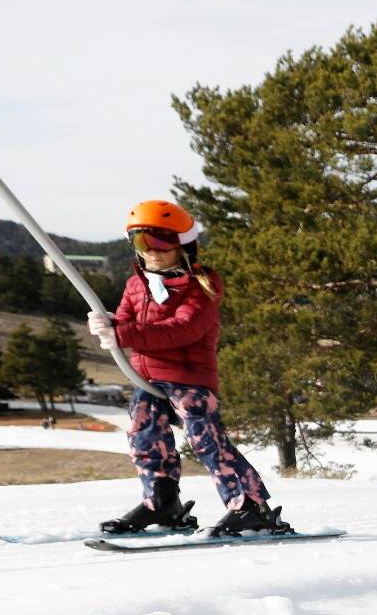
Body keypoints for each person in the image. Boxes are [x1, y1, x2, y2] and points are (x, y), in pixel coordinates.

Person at [88, 199, 286, 536]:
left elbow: (183, 330)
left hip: (188, 379)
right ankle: (162, 503)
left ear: (184, 245)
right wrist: (107, 324)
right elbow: (124, 320)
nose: (152, 250)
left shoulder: (201, 286)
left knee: (205, 440)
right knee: (143, 436)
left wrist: (123, 333)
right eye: (142, 242)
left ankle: (251, 505)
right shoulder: (136, 285)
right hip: (147, 377)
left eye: (162, 241)